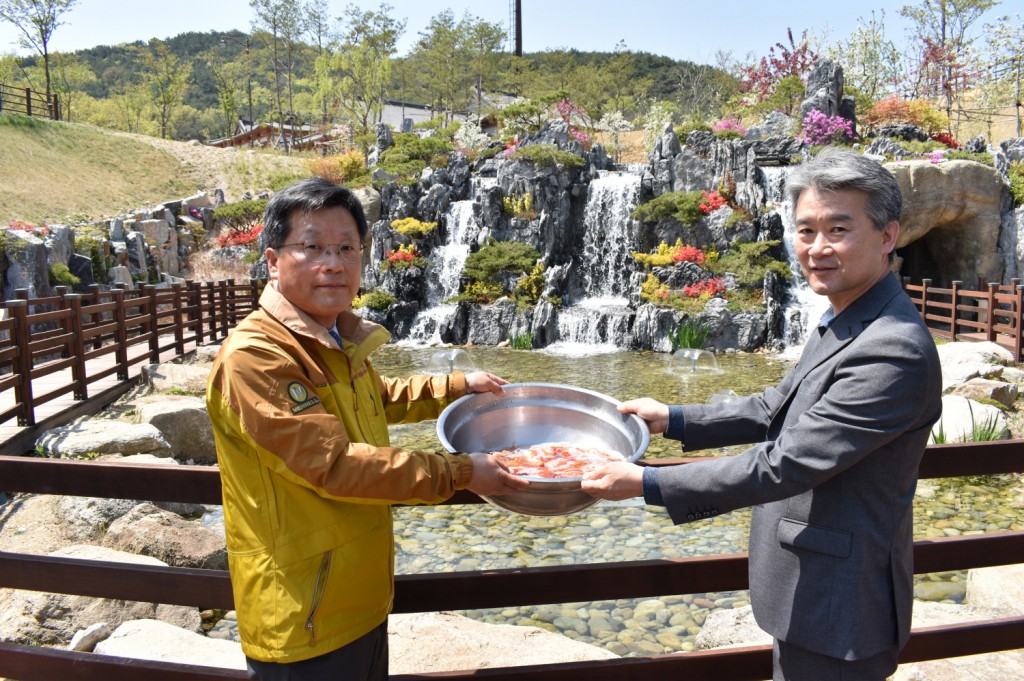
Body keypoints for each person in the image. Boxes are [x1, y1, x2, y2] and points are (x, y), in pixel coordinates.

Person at [581, 148, 942, 681]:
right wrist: (674, 418)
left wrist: (647, 482)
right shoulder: (850, 317)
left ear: (888, 236)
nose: (817, 248)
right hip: (812, 584)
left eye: (838, 229)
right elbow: (779, 406)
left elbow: (787, 462)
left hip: (841, 606)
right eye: (805, 231)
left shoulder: (893, 348)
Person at [206, 176, 528, 681]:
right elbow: (333, 466)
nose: (332, 263)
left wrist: (458, 384)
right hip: (303, 614)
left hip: (355, 596)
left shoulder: (331, 337)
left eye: (346, 248)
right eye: (312, 247)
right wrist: (462, 472)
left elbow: (376, 400)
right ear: (273, 261)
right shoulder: (259, 356)